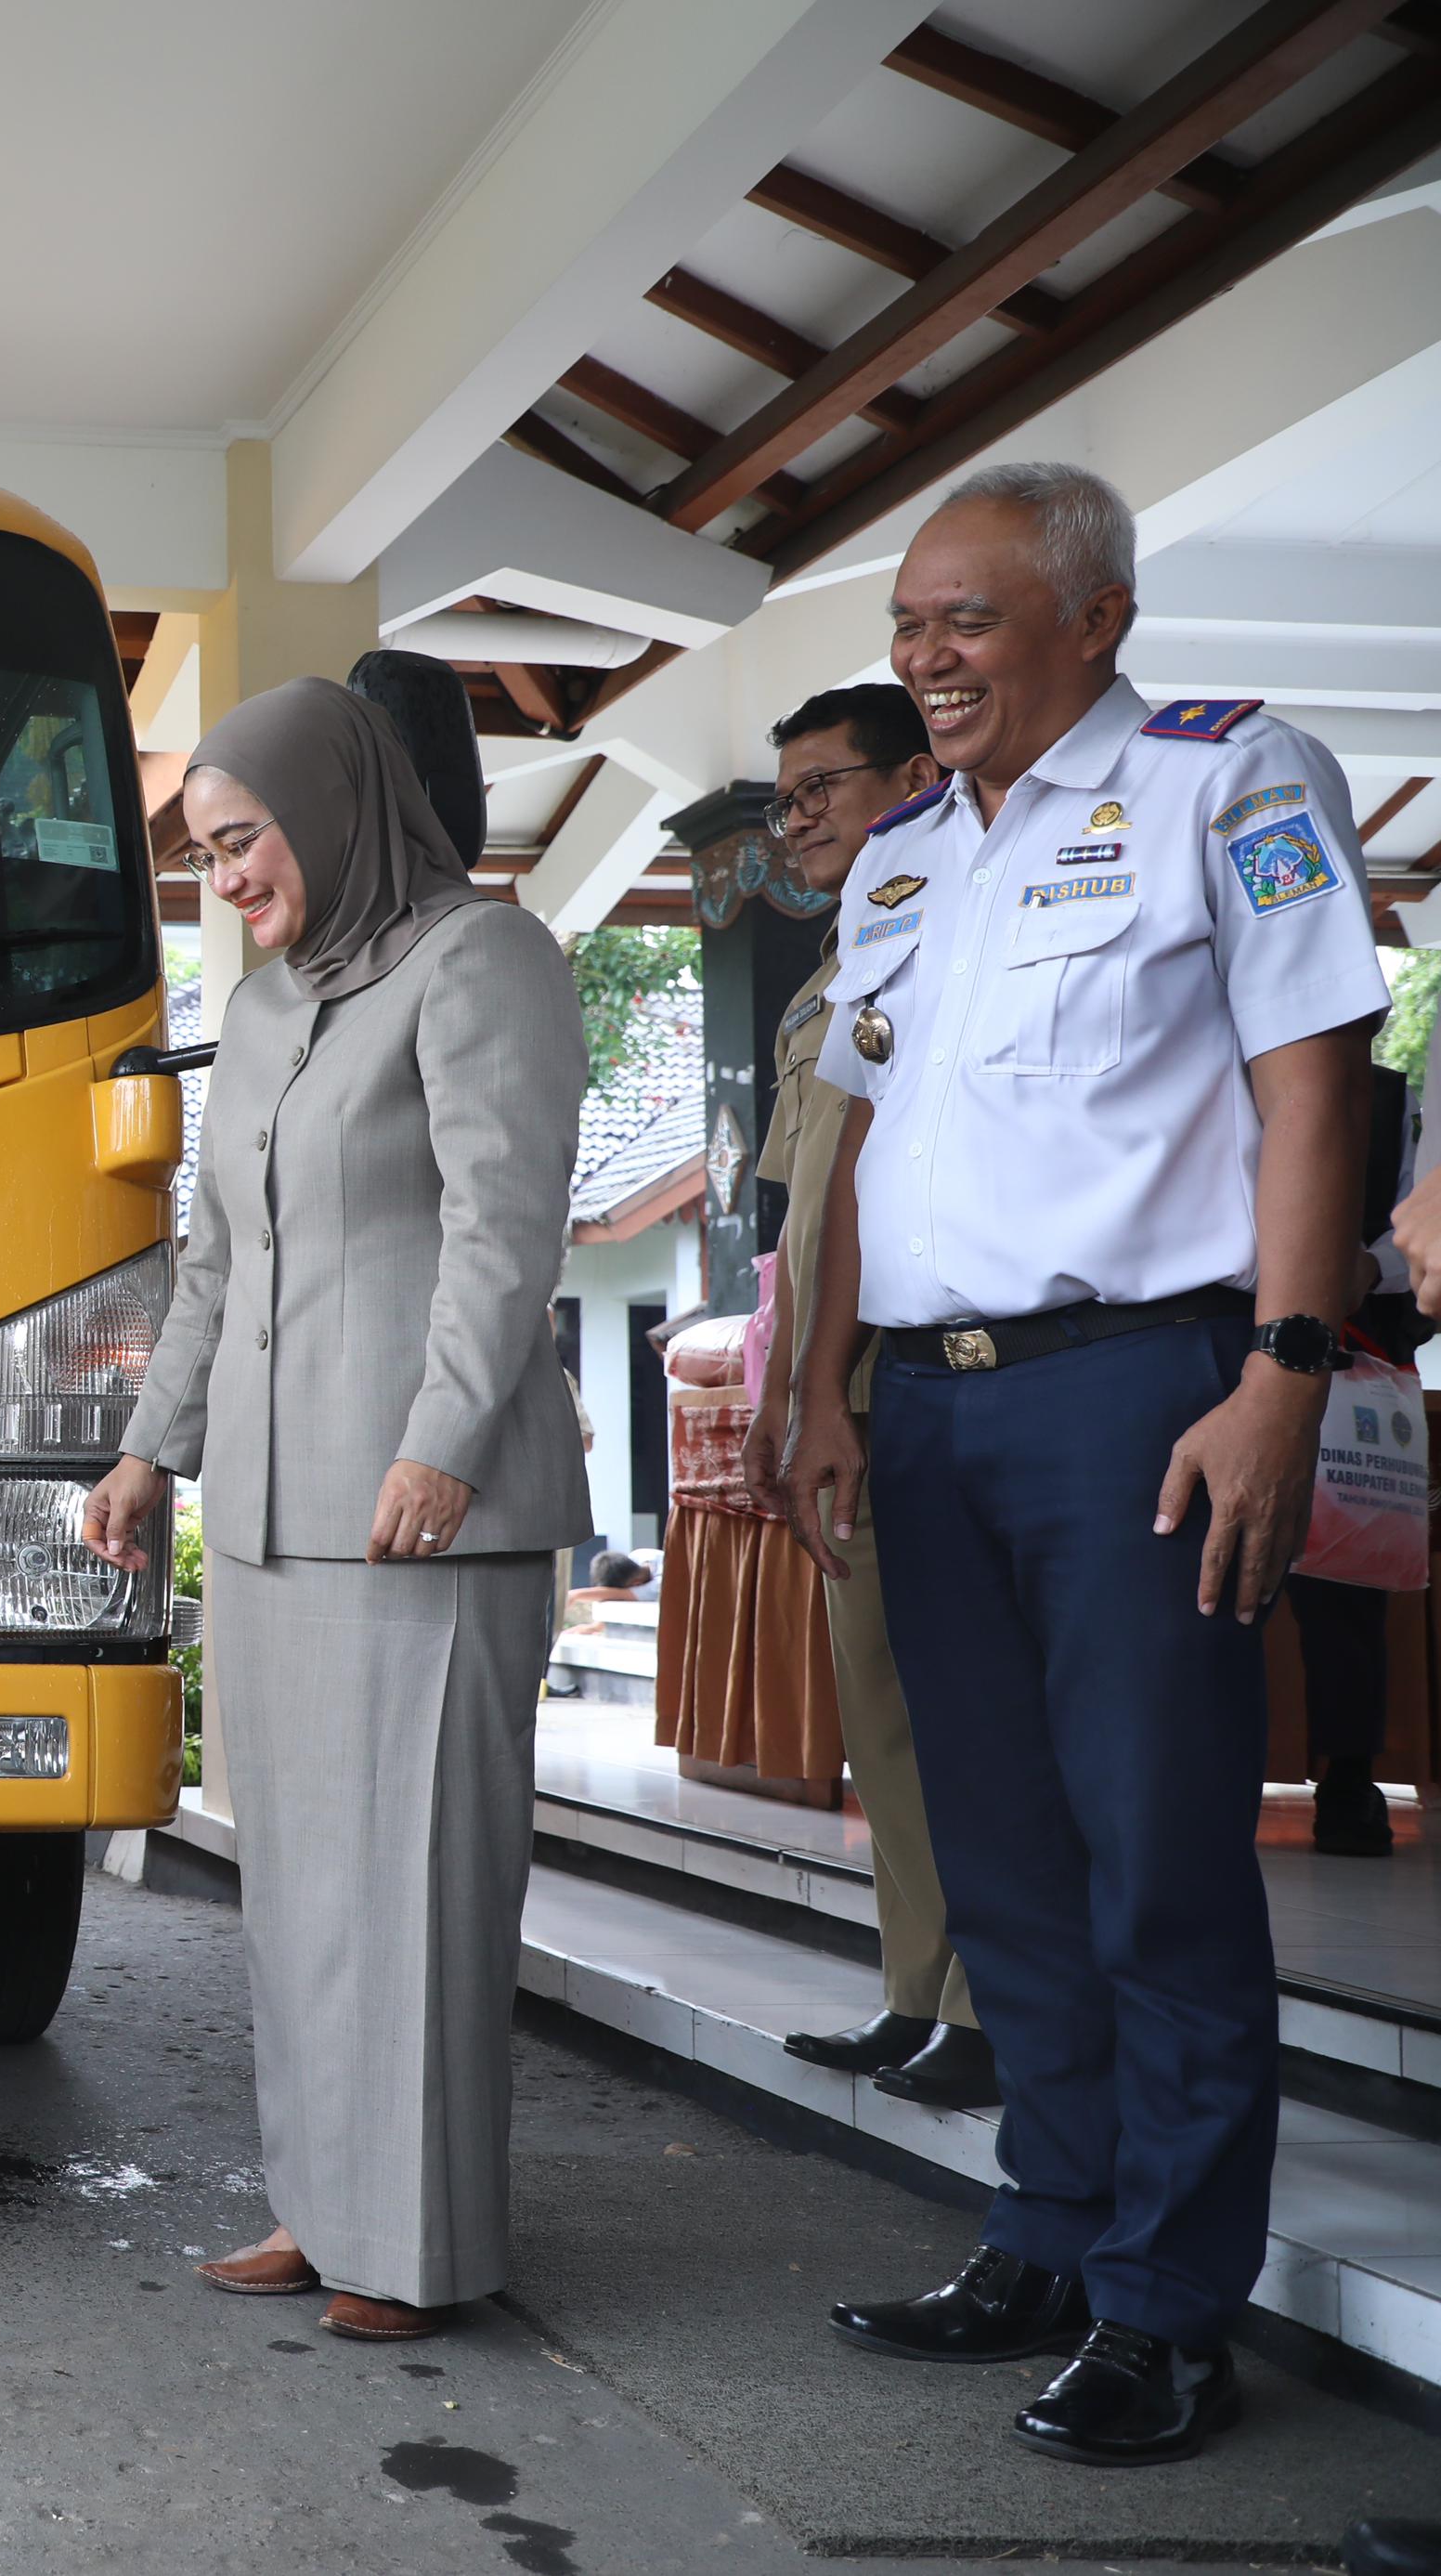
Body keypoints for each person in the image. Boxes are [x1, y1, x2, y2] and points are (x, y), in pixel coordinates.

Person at [783, 462, 1381, 2466]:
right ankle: (1043, 2229)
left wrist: (1282, 1371)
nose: (920, 659)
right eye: (906, 626)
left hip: (1140, 1388)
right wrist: (821, 1382)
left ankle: (1165, 2299)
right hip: (932, 1406)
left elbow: (1317, 1090)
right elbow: (856, 1150)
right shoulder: (897, 864)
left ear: (1093, 617)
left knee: (1158, 1857)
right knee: (1005, 1859)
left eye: (962, 619)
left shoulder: (1229, 781)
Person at [83, 676, 589, 2344]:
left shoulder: (479, 959)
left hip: (423, 1504)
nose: (227, 878)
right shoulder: (275, 1007)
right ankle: (323, 2203)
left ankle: (423, 2245)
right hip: (277, 1516)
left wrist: (441, 1439)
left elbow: (505, 1230)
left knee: (420, 1885)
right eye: (210, 854)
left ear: (339, 803)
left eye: (245, 840)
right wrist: (153, 1450)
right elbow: (214, 1264)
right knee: (300, 1880)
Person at [737, 683, 993, 2112]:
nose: (802, 818)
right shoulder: (846, 955)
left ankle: (986, 2002)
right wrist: (791, 1388)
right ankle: (918, 1989)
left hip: (937, 1365)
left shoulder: (957, 930)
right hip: (843, 1381)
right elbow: (802, 1217)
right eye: (788, 798)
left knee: (954, 1702)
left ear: (913, 773)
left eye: (823, 786)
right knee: (877, 1701)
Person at [1282, 1063, 1420, 1857]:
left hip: (1344, 1360)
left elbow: (1419, 1218)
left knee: (1343, 1592)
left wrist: (1369, 1267)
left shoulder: (1390, 1099)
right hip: (1195, 1344)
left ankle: (1348, 1781)